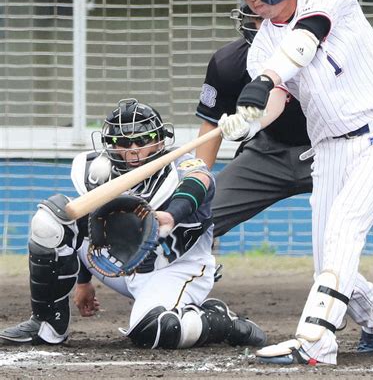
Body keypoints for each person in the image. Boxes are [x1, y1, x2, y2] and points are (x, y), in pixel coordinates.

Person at [196, 4, 373, 353]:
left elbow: (369, 114)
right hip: (269, 152)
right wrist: (196, 185)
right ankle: (174, 302)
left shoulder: (331, 47)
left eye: (264, 12)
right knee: (194, 216)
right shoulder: (230, 62)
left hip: (344, 149)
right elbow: (210, 127)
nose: (259, 21)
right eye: (252, 15)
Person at [218, 0, 373, 365]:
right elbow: (275, 100)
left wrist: (269, 76)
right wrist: (246, 121)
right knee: (328, 261)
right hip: (327, 150)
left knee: (345, 224)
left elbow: (306, 40)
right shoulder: (259, 49)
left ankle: (315, 342)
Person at [0, 98, 266, 350]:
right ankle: (47, 324)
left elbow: (200, 182)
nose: (133, 150)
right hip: (120, 264)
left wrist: (171, 215)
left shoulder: (182, 165)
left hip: (175, 269)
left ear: (160, 139)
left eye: (142, 141)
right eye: (123, 143)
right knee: (49, 222)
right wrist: (83, 282)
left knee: (156, 330)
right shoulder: (96, 172)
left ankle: (220, 320)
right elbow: (85, 228)